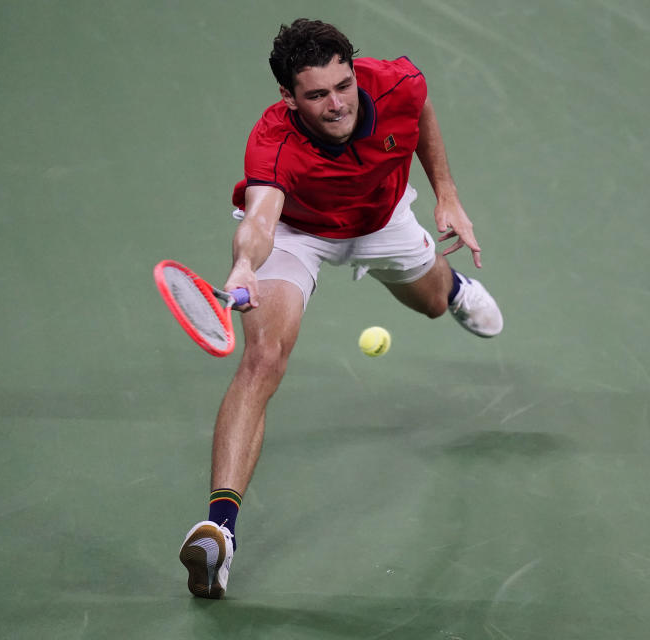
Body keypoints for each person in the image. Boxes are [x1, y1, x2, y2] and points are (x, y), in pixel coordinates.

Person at [177, 18, 503, 599]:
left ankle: (450, 289)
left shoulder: (395, 83)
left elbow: (422, 110)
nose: (336, 104)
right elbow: (259, 218)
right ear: (288, 97)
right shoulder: (273, 141)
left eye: (343, 85)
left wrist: (447, 193)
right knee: (264, 359)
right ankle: (219, 533)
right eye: (317, 94)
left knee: (429, 303)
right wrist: (246, 265)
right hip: (298, 234)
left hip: (383, 221)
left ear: (355, 72)